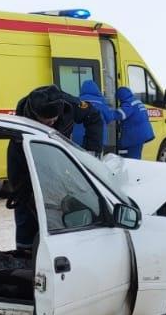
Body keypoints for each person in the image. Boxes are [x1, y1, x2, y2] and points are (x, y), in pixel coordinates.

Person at [8, 85, 105, 254]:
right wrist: (27, 192)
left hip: (58, 159)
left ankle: (60, 251)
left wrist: (91, 153)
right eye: (47, 120)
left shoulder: (69, 103)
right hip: (27, 161)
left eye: (55, 119)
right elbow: (21, 167)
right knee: (26, 207)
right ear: (35, 114)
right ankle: (24, 253)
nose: (52, 123)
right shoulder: (22, 119)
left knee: (62, 208)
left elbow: (94, 117)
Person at [71, 80, 121, 147]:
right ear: (96, 90)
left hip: (77, 139)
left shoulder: (78, 102)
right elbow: (109, 118)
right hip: (97, 139)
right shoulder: (102, 103)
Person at [116, 86, 155, 159]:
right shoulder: (136, 101)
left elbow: (121, 114)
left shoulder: (128, 104)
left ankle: (132, 169)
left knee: (132, 158)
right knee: (136, 156)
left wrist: (109, 113)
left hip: (135, 135)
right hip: (141, 134)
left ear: (121, 96)